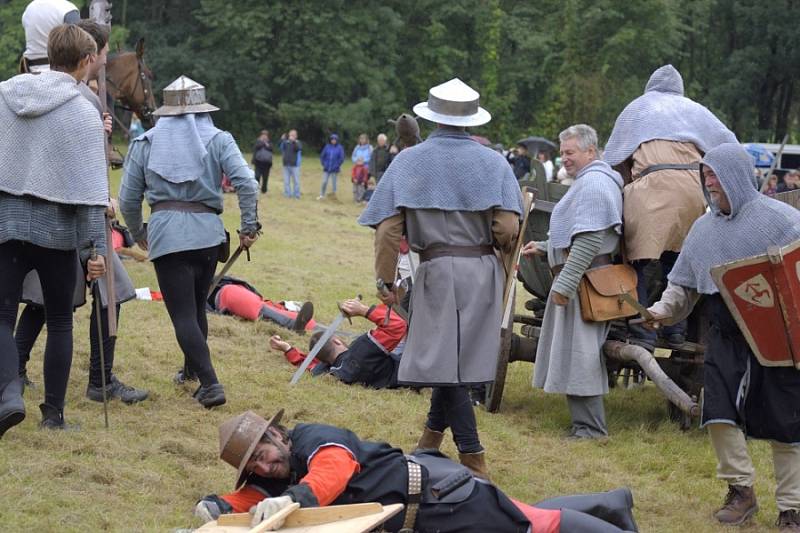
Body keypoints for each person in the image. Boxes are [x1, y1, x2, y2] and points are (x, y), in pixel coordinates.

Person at [359, 78, 523, 478]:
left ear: (430, 116)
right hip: (483, 273)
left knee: (445, 365)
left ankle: (473, 455)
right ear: (471, 119)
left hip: (434, 269)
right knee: (454, 362)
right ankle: (430, 442)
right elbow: (506, 229)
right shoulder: (495, 162)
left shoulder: (409, 161)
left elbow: (387, 231)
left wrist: (385, 281)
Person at [644, 143, 800, 532]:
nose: (709, 182)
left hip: (777, 336)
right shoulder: (703, 229)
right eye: (706, 174)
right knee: (718, 415)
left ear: (736, 175)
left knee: (787, 424)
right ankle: (741, 491)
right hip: (724, 332)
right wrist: (663, 310)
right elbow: (681, 285)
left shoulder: (782, 220)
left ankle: (792, 509)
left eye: (715, 174)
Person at [194, 410, 640, 532]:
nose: (264, 464)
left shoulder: (313, 438)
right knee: (524, 513)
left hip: (440, 498)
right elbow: (251, 503)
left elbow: (331, 472)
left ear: (278, 434)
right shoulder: (273, 480)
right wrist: (216, 509)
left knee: (533, 526)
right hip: (421, 516)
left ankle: (616, 519)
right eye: (253, 464)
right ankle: (612, 503)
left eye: (263, 451)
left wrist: (294, 500)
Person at [15, 19, 148, 406]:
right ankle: (94, 380)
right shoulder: (77, 96)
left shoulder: (88, 96)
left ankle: (23, 370)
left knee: (56, 300)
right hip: (71, 213)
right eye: (104, 54)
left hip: (72, 210)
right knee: (92, 294)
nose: (105, 60)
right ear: (93, 55)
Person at [119, 75, 261, 409]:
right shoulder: (219, 139)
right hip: (208, 237)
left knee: (183, 314)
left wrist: (139, 231)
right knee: (197, 306)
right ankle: (190, 372)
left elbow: (127, 199)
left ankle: (210, 384)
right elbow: (248, 184)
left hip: (168, 234)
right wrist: (248, 226)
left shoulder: (145, 143)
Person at [0, 24, 108, 435]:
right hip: (58, 230)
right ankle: (53, 416)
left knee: (1, 315)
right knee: (61, 320)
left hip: (6, 222)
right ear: (84, 61)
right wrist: (93, 251)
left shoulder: (5, 94)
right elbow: (89, 191)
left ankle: (9, 391)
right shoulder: (83, 112)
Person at [603, 64, 737, 351]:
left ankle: (642, 333)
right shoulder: (696, 110)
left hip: (650, 187)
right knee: (679, 260)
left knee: (635, 264)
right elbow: (730, 147)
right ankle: (675, 331)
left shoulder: (638, 108)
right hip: (693, 190)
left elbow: (613, 159)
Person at [522, 124, 623, 440]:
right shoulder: (590, 181)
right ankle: (583, 424)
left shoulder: (594, 184)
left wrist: (565, 284)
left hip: (584, 282)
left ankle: (591, 429)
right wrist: (543, 247)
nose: (564, 158)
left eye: (570, 152)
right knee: (575, 353)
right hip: (580, 278)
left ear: (590, 151)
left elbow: (591, 241)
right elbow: (577, 235)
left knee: (581, 355)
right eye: (562, 152)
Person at [269, 298, 406, 389]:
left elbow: (310, 365)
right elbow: (397, 326)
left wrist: (287, 349)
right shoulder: (362, 350)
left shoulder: (333, 372)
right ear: (336, 340)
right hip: (412, 369)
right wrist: (363, 310)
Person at [207, 276, 314, 334]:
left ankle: (323, 330)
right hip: (224, 296)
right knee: (258, 309)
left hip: (234, 290)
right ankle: (291, 324)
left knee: (270, 308)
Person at [20, 0, 79, 73]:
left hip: (30, 69)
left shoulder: (29, 9)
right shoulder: (68, 9)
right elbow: (77, 47)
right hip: (61, 71)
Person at [318, 133, 344, 199]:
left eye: (335, 139)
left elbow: (341, 158)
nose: (333, 140)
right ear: (330, 140)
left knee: (334, 183)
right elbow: (322, 156)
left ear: (337, 140)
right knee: (324, 182)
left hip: (335, 169)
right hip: (326, 168)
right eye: (332, 139)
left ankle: (333, 196)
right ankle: (322, 194)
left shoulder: (340, 147)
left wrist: (337, 165)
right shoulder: (327, 146)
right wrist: (324, 164)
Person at [279, 129, 302, 199]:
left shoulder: (298, 143)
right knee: (286, 181)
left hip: (295, 165)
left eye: (293, 135)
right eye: (290, 135)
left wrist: (294, 141)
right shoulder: (286, 143)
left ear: (296, 136)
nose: (291, 136)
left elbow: (298, 148)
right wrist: (282, 140)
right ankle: (287, 194)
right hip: (286, 164)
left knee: (296, 181)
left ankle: (296, 195)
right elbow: (280, 147)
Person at [251, 130, 273, 194]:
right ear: (261, 135)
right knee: (257, 176)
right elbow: (257, 147)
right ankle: (256, 189)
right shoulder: (258, 141)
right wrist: (263, 143)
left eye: (265, 135)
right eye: (263, 135)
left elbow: (271, 148)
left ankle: (264, 190)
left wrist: (266, 144)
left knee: (265, 177)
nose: (264, 136)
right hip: (258, 162)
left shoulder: (270, 142)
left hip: (267, 163)